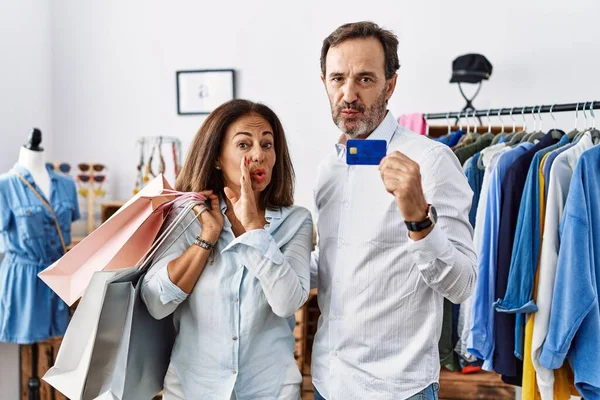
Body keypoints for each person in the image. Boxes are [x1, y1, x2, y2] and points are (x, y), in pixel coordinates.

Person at [310, 22, 477, 400]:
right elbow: (334, 265)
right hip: (328, 383)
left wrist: (419, 219)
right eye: (337, 78)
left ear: (390, 84)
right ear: (324, 82)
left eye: (365, 79)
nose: (348, 94)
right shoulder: (328, 169)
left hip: (397, 390)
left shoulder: (432, 161)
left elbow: (463, 284)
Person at [141, 99, 312, 400]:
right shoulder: (185, 216)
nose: (259, 155)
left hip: (271, 388)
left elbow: (287, 304)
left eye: (267, 145)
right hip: (192, 387)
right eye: (244, 145)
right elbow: (156, 302)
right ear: (218, 157)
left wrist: (255, 232)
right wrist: (208, 236)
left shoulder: (296, 221)